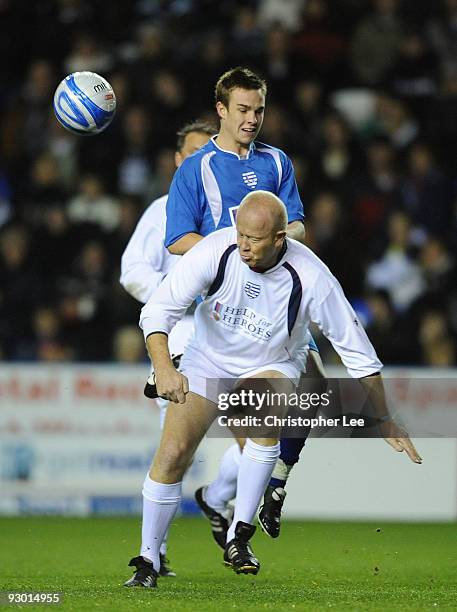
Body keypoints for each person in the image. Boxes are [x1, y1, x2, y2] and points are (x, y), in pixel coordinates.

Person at [124, 191, 422, 588]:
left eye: (255, 238)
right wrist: (163, 366)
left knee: (266, 410)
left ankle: (239, 536)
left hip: (272, 361)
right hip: (206, 358)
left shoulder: (312, 276)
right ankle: (148, 561)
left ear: (281, 238)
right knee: (174, 452)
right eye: (241, 234)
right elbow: (157, 310)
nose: (244, 245)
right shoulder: (217, 248)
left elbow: (358, 351)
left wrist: (383, 417)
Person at [163, 66, 325, 542]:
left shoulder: (277, 162)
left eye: (259, 110)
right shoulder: (198, 168)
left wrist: (277, 237)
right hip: (224, 305)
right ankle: (228, 512)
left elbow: (298, 225)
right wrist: (231, 255)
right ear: (222, 110)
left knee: (313, 386)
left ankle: (270, 484)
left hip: (277, 297)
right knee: (249, 425)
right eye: (243, 109)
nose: (252, 119)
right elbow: (177, 240)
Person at [120, 119, 215, 576]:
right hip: (178, 349)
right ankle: (151, 555)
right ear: (179, 161)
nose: (199, 161)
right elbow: (132, 271)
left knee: (263, 434)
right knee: (176, 452)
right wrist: (178, 288)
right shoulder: (162, 210)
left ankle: (218, 500)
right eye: (191, 153)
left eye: (207, 152)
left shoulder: (234, 212)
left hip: (238, 345)